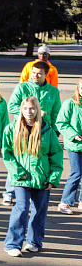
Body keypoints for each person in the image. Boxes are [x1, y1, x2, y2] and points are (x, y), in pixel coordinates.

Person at [2, 96, 62, 257]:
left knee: (39, 211)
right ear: (21, 110)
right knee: (21, 208)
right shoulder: (11, 128)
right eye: (26, 108)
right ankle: (13, 244)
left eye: (32, 109)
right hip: (21, 177)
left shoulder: (47, 130)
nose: (29, 112)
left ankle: (34, 241)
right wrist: (18, 172)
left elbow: (56, 155)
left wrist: (53, 178)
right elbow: (7, 154)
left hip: (41, 178)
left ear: (38, 110)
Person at [56, 78, 82, 215]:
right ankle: (65, 202)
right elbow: (61, 123)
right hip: (75, 145)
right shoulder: (70, 104)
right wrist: (74, 135)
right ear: (78, 88)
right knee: (76, 173)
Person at [9, 61, 61, 126]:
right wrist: (33, 112)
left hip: (44, 128)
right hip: (23, 126)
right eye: (33, 73)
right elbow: (11, 106)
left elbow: (56, 113)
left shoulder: (53, 91)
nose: (35, 76)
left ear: (46, 74)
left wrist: (55, 130)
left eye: (39, 73)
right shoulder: (21, 87)